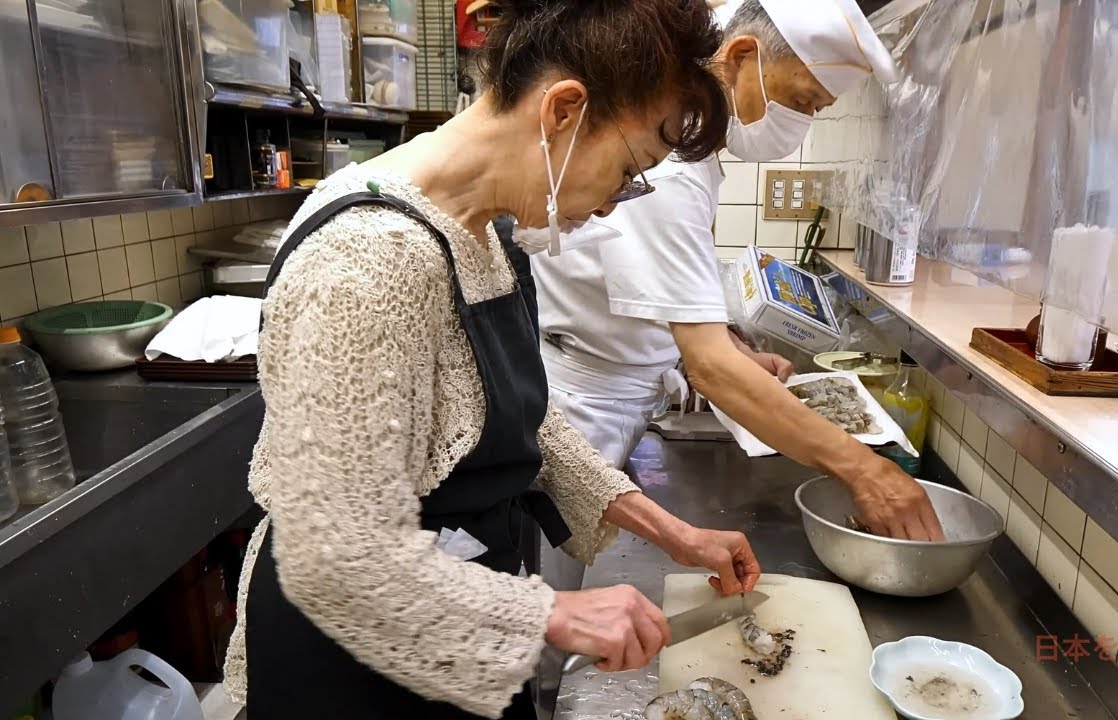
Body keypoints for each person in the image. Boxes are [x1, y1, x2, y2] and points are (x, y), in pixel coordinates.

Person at [220, 2, 761, 718]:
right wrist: (553, 617)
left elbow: (519, 424)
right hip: (352, 670)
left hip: (456, 613)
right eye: (628, 170)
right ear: (564, 110)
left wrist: (669, 530)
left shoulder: (480, 230)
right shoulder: (366, 262)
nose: (611, 206)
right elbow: (337, 555)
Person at [529, 0, 945, 542]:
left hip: (608, 397)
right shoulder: (670, 164)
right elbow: (711, 370)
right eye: (802, 101)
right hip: (582, 413)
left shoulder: (688, 143)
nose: (801, 123)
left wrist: (729, 343)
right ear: (741, 57)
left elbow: (660, 298)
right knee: (555, 597)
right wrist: (867, 471)